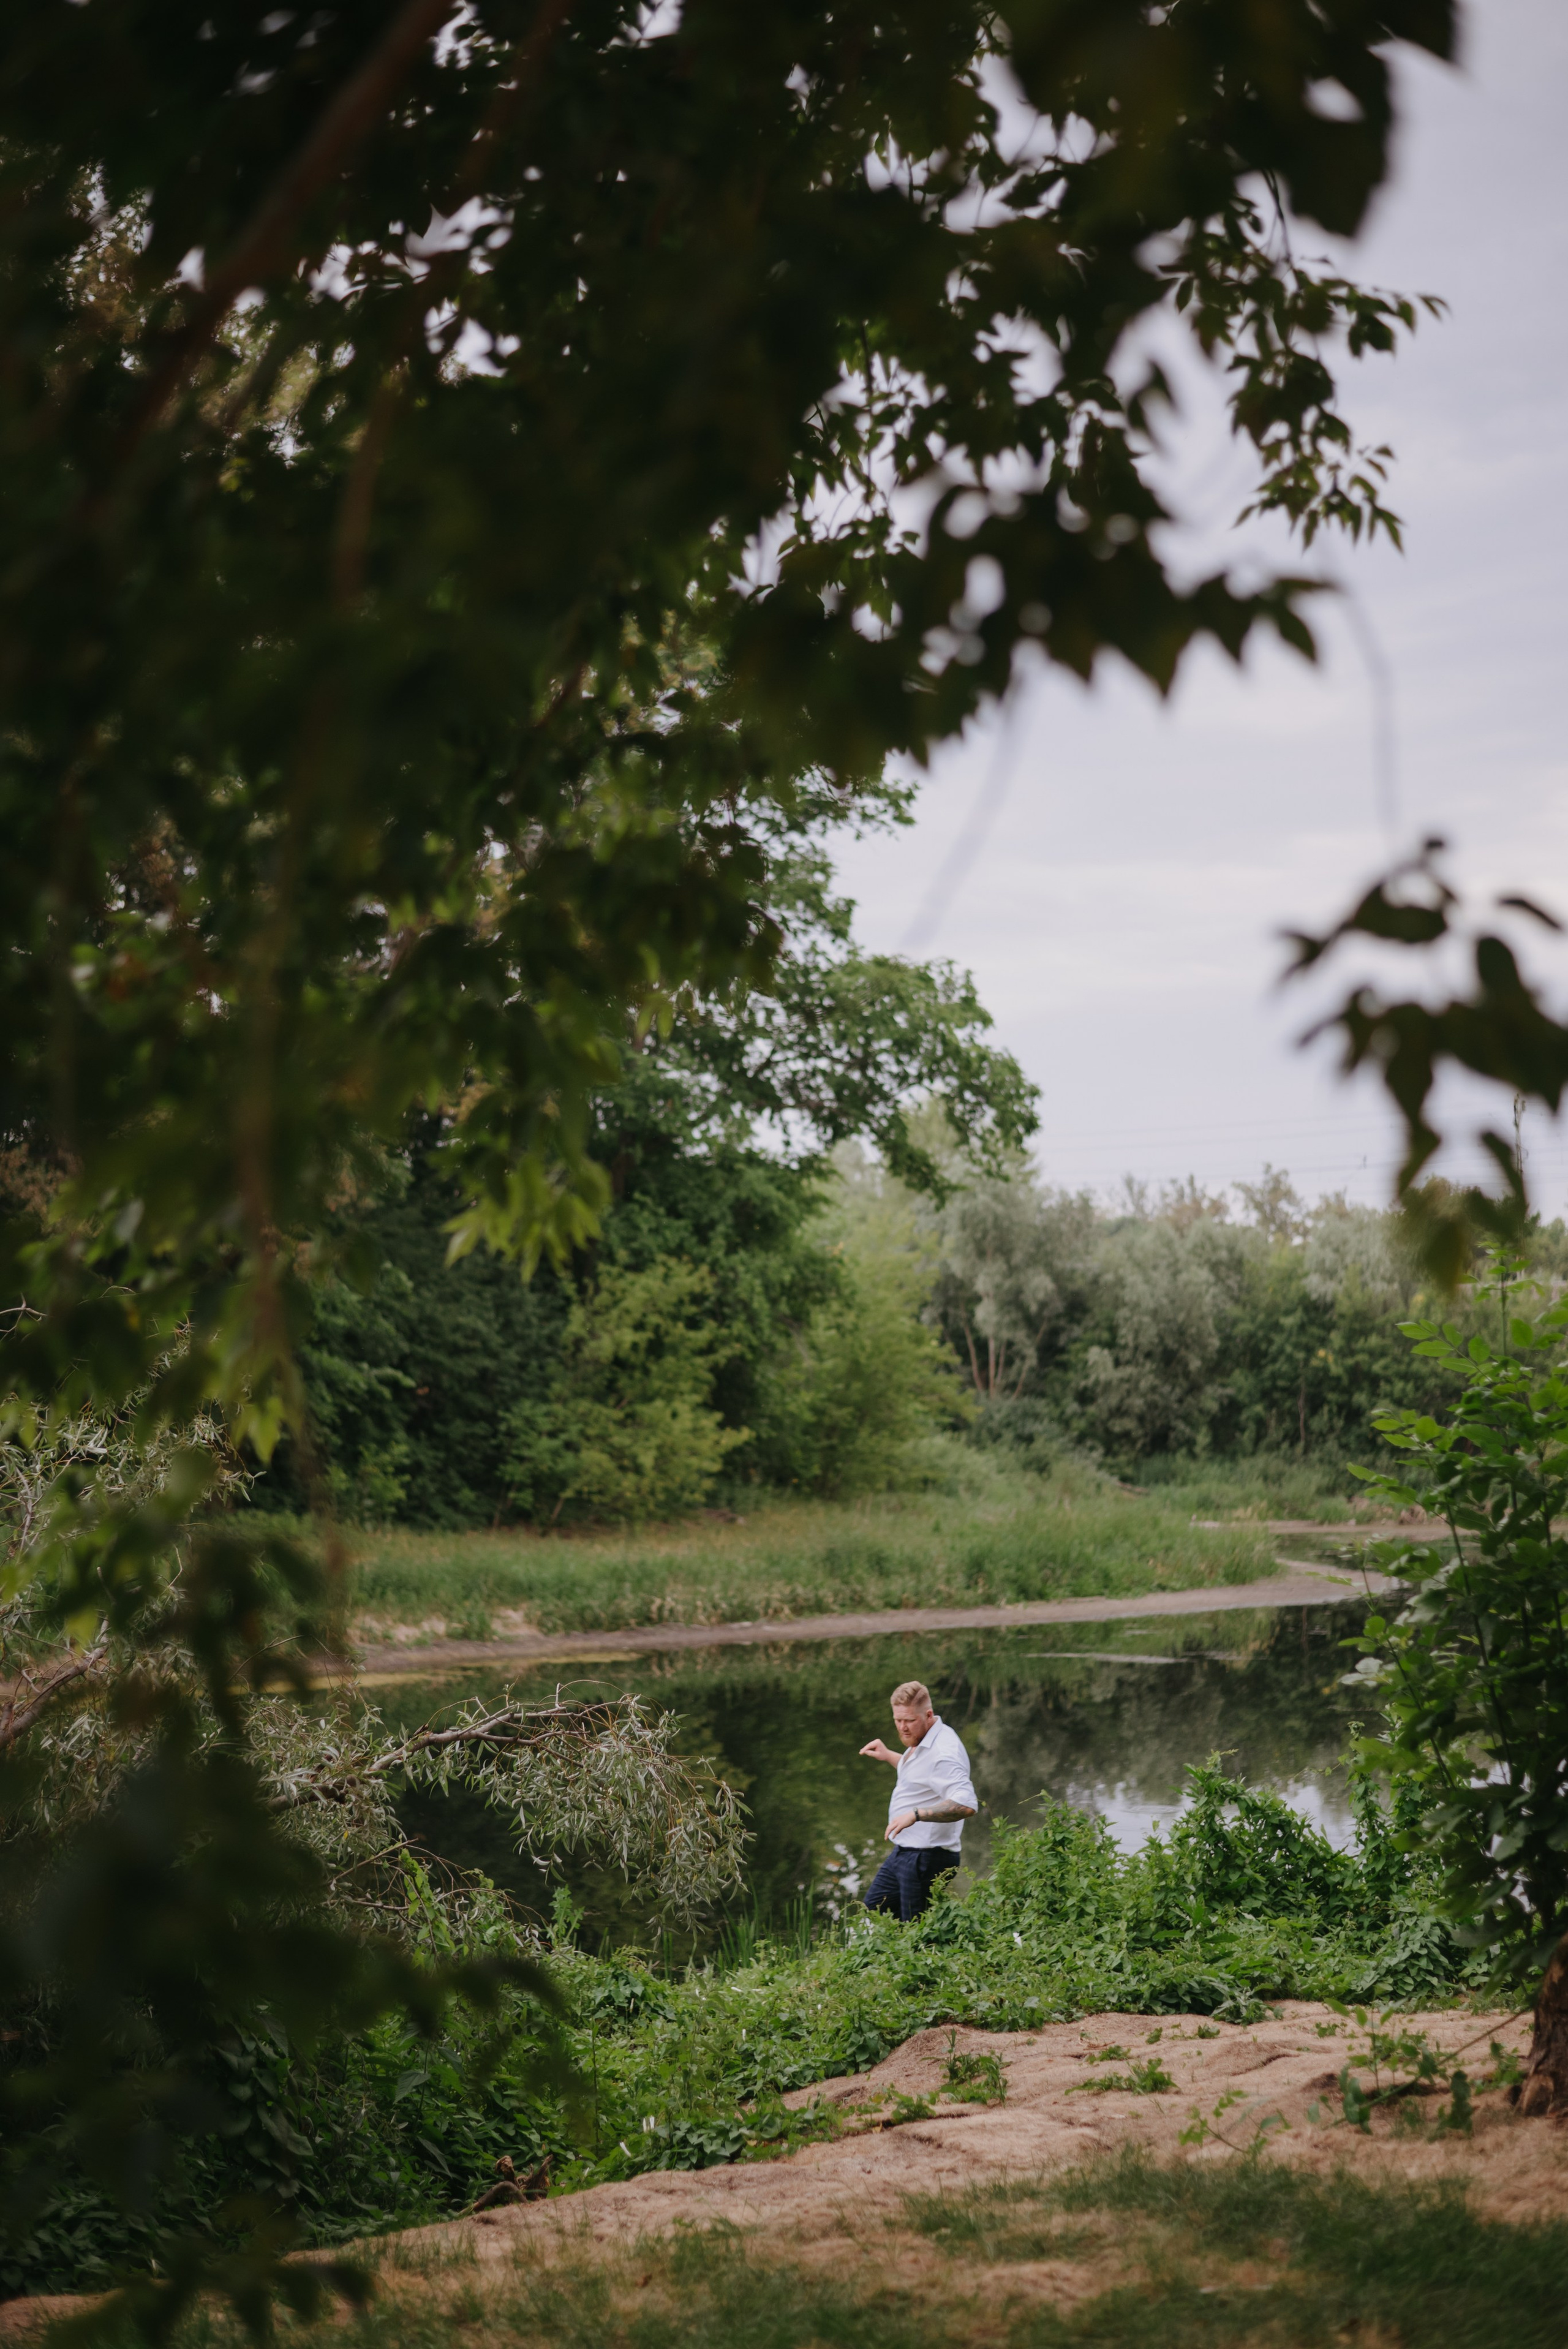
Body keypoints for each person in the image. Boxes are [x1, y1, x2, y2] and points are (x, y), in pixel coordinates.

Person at [859, 1679, 977, 1921]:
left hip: (927, 1858)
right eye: (897, 1721)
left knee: (913, 1930)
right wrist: (891, 1756)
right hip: (906, 1853)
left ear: (929, 1715)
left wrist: (916, 1815)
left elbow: (967, 1805)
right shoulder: (925, 1739)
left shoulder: (944, 1753)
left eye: (909, 1721)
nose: (903, 1728)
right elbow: (923, 1777)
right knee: (871, 1914)